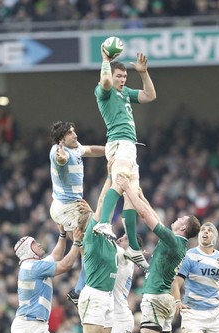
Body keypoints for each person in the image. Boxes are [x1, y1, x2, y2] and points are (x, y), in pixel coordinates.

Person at [116, 175, 210, 333]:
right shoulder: (179, 245)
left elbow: (148, 217)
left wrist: (128, 189)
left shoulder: (174, 241)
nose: (176, 218)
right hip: (165, 300)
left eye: (180, 218)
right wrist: (141, 195)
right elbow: (152, 212)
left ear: (183, 227)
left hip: (156, 298)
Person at [92, 45, 157, 270]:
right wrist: (104, 61)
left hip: (130, 146)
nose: (122, 79)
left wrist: (142, 72)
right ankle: (102, 223)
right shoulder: (104, 90)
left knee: (133, 195)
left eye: (124, 76)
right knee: (120, 181)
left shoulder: (125, 92)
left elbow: (150, 95)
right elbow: (106, 82)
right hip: (119, 143)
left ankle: (133, 249)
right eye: (119, 75)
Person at [49, 120, 105, 304]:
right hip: (68, 208)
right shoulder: (57, 152)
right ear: (61, 139)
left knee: (87, 245)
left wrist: (110, 151)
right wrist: (61, 158)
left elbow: (89, 150)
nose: (75, 135)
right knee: (89, 243)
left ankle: (80, 290)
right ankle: (81, 289)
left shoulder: (76, 148)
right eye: (71, 133)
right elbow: (60, 159)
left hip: (69, 206)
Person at [77, 161, 118, 333]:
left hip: (107, 297)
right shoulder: (91, 238)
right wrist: (111, 176)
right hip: (94, 295)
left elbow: (103, 209)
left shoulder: (105, 236)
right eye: (93, 217)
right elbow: (103, 204)